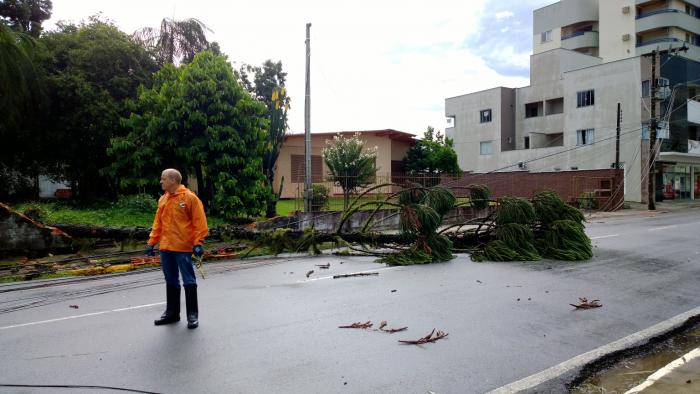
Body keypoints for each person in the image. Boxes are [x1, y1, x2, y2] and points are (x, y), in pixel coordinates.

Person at [147, 168, 208, 329]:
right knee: (171, 280)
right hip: (166, 247)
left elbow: (199, 223)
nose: (161, 181)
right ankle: (172, 313)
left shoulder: (189, 198)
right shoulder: (163, 199)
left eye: (163, 178)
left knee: (188, 280)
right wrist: (152, 242)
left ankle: (192, 315)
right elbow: (157, 223)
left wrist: (198, 243)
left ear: (173, 180)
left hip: (183, 247)